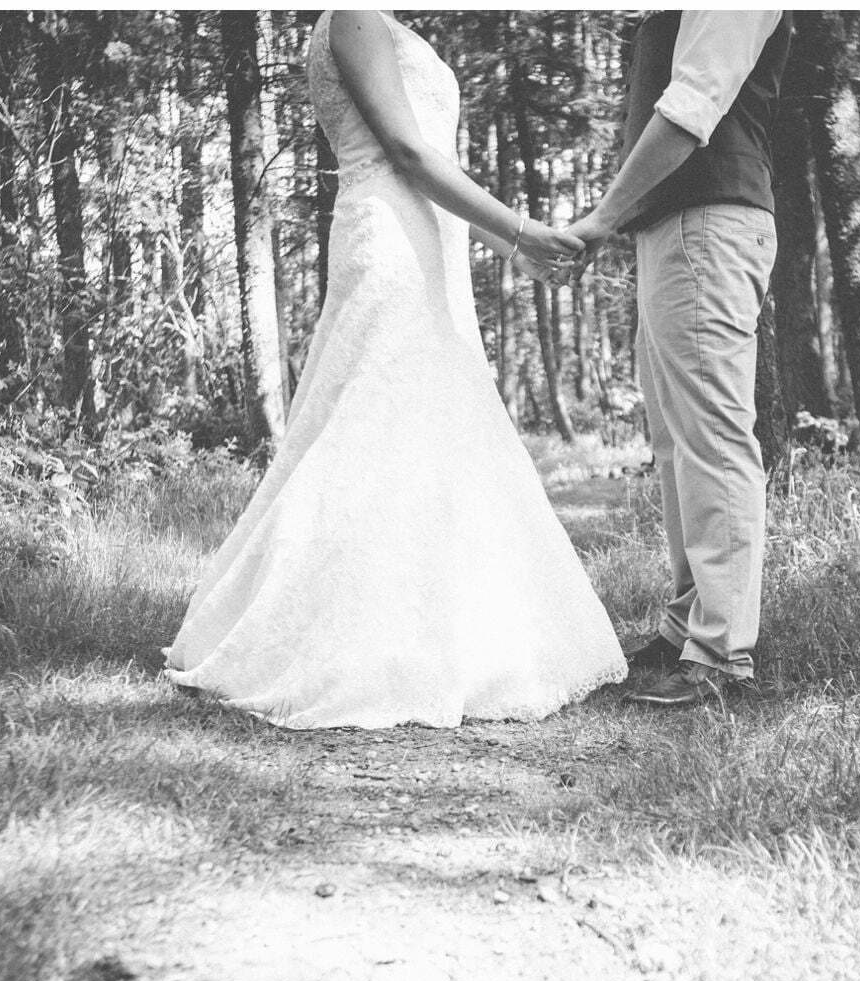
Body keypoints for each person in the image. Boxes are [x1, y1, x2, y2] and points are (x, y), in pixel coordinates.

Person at [163, 11, 626, 729]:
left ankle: (455, 633)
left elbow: (433, 163)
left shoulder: (388, 23)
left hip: (433, 241)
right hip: (386, 235)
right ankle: (350, 637)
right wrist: (521, 229)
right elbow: (407, 154)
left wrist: (502, 248)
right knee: (370, 425)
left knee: (437, 429)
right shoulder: (350, 17)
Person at [569, 11, 792, 708]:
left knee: (714, 439)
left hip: (711, 219)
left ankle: (724, 652)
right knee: (676, 440)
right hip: (676, 224)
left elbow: (693, 105)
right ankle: (688, 626)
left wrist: (602, 216)